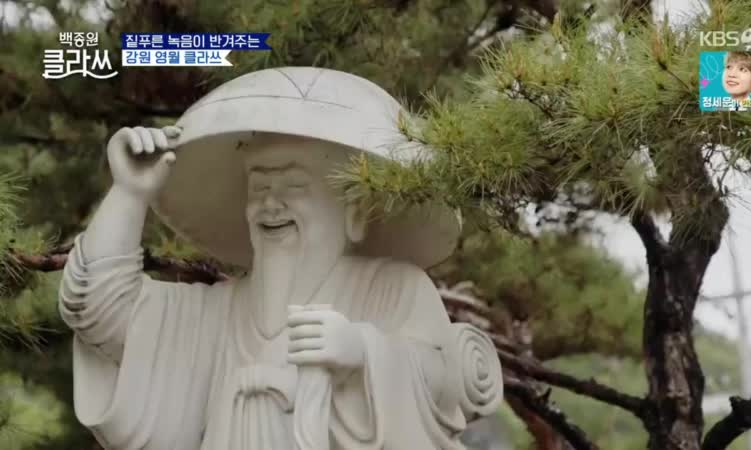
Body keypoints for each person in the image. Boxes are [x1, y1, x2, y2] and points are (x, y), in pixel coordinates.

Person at [58, 67, 502, 450]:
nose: (270, 204)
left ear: (354, 211)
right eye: (259, 188)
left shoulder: (392, 288)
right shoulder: (217, 311)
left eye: (293, 187)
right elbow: (98, 309)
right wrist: (130, 193)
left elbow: (448, 386)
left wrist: (363, 352)